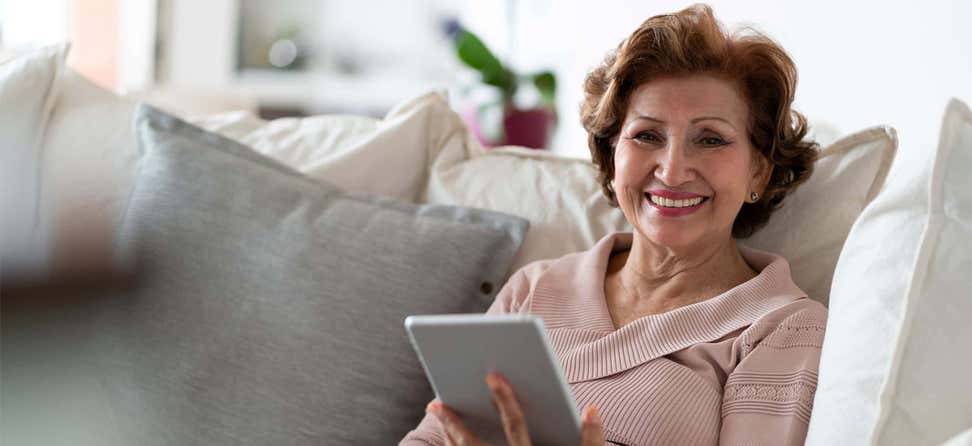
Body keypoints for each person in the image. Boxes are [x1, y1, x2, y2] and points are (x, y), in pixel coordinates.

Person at [401, 4, 825, 445]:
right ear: (611, 154)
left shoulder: (782, 327)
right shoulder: (534, 289)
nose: (673, 169)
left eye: (711, 139)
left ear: (758, 171)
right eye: (647, 135)